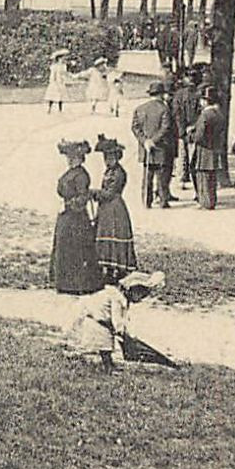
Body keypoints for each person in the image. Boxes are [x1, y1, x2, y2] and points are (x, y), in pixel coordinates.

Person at [69, 270, 165, 370]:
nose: (140, 299)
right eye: (140, 295)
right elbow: (117, 320)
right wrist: (122, 333)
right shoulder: (117, 299)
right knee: (105, 343)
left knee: (106, 341)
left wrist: (126, 332)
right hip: (95, 319)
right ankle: (108, 366)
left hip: (97, 318)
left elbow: (122, 319)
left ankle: (108, 363)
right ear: (130, 290)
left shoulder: (120, 297)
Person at [51, 140, 103, 295]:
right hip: (66, 217)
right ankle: (63, 282)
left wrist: (69, 205)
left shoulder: (81, 175)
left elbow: (83, 197)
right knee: (64, 247)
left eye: (72, 157)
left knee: (75, 250)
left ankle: (76, 284)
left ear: (79, 158)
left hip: (76, 219)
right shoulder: (70, 172)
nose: (69, 160)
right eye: (68, 157)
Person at [91, 136, 136, 284]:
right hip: (106, 209)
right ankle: (108, 269)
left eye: (110, 157)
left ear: (117, 157)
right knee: (105, 234)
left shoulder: (119, 173)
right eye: (105, 157)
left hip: (115, 208)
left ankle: (118, 270)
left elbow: (110, 193)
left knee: (115, 235)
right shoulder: (109, 171)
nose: (107, 160)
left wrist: (94, 193)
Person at [131, 81, 175, 209]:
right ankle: (163, 200)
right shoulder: (165, 109)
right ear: (161, 94)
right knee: (162, 175)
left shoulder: (140, 109)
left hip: (146, 148)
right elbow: (166, 128)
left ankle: (146, 201)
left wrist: (145, 141)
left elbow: (135, 127)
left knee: (147, 174)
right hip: (161, 147)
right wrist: (153, 141)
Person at [186, 85, 226, 210]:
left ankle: (205, 202)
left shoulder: (205, 115)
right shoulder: (219, 114)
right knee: (211, 177)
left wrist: (190, 135)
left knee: (202, 175)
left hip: (204, 149)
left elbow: (200, 135)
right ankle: (211, 201)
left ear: (205, 101)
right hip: (214, 147)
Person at [44, 49, 71, 113]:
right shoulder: (54, 66)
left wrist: (67, 78)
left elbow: (65, 73)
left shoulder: (63, 66)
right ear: (59, 58)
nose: (63, 59)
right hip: (55, 82)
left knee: (60, 96)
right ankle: (49, 108)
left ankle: (60, 109)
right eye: (62, 58)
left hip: (61, 82)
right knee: (53, 95)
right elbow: (53, 74)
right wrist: (52, 81)